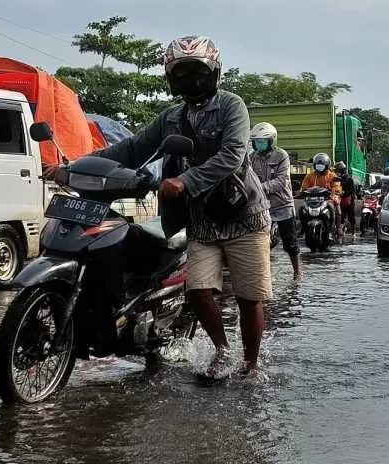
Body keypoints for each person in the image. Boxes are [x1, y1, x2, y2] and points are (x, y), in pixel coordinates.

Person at [87, 35, 272, 379]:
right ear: (172, 78)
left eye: (197, 71)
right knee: (199, 290)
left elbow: (232, 155)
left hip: (244, 216)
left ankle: (251, 364)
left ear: (214, 72)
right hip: (200, 220)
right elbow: (130, 149)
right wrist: (77, 165)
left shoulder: (233, 106)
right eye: (181, 73)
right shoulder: (170, 118)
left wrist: (186, 181)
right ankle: (221, 351)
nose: (190, 80)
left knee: (249, 297)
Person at [250, 122, 301, 280]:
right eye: (257, 141)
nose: (259, 144)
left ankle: (297, 271)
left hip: (283, 204)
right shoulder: (251, 158)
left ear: (272, 141)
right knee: (261, 242)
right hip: (262, 206)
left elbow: (281, 181)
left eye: (263, 141)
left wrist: (259, 187)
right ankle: (264, 273)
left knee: (290, 242)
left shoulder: (281, 156)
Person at [300, 152, 343, 236]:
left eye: (322, 164)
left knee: (335, 208)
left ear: (327, 165)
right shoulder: (310, 176)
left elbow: (337, 186)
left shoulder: (332, 175)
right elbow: (304, 187)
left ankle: (336, 229)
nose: (320, 165)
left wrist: (335, 190)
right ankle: (303, 228)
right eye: (318, 163)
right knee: (301, 209)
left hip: (328, 198)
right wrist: (303, 191)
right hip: (312, 199)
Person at [334, 161, 357, 234]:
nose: (336, 172)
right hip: (340, 200)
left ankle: (353, 231)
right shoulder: (337, 179)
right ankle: (340, 230)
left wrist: (344, 193)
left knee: (351, 216)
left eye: (337, 170)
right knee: (341, 215)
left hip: (349, 200)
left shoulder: (348, 178)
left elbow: (352, 190)